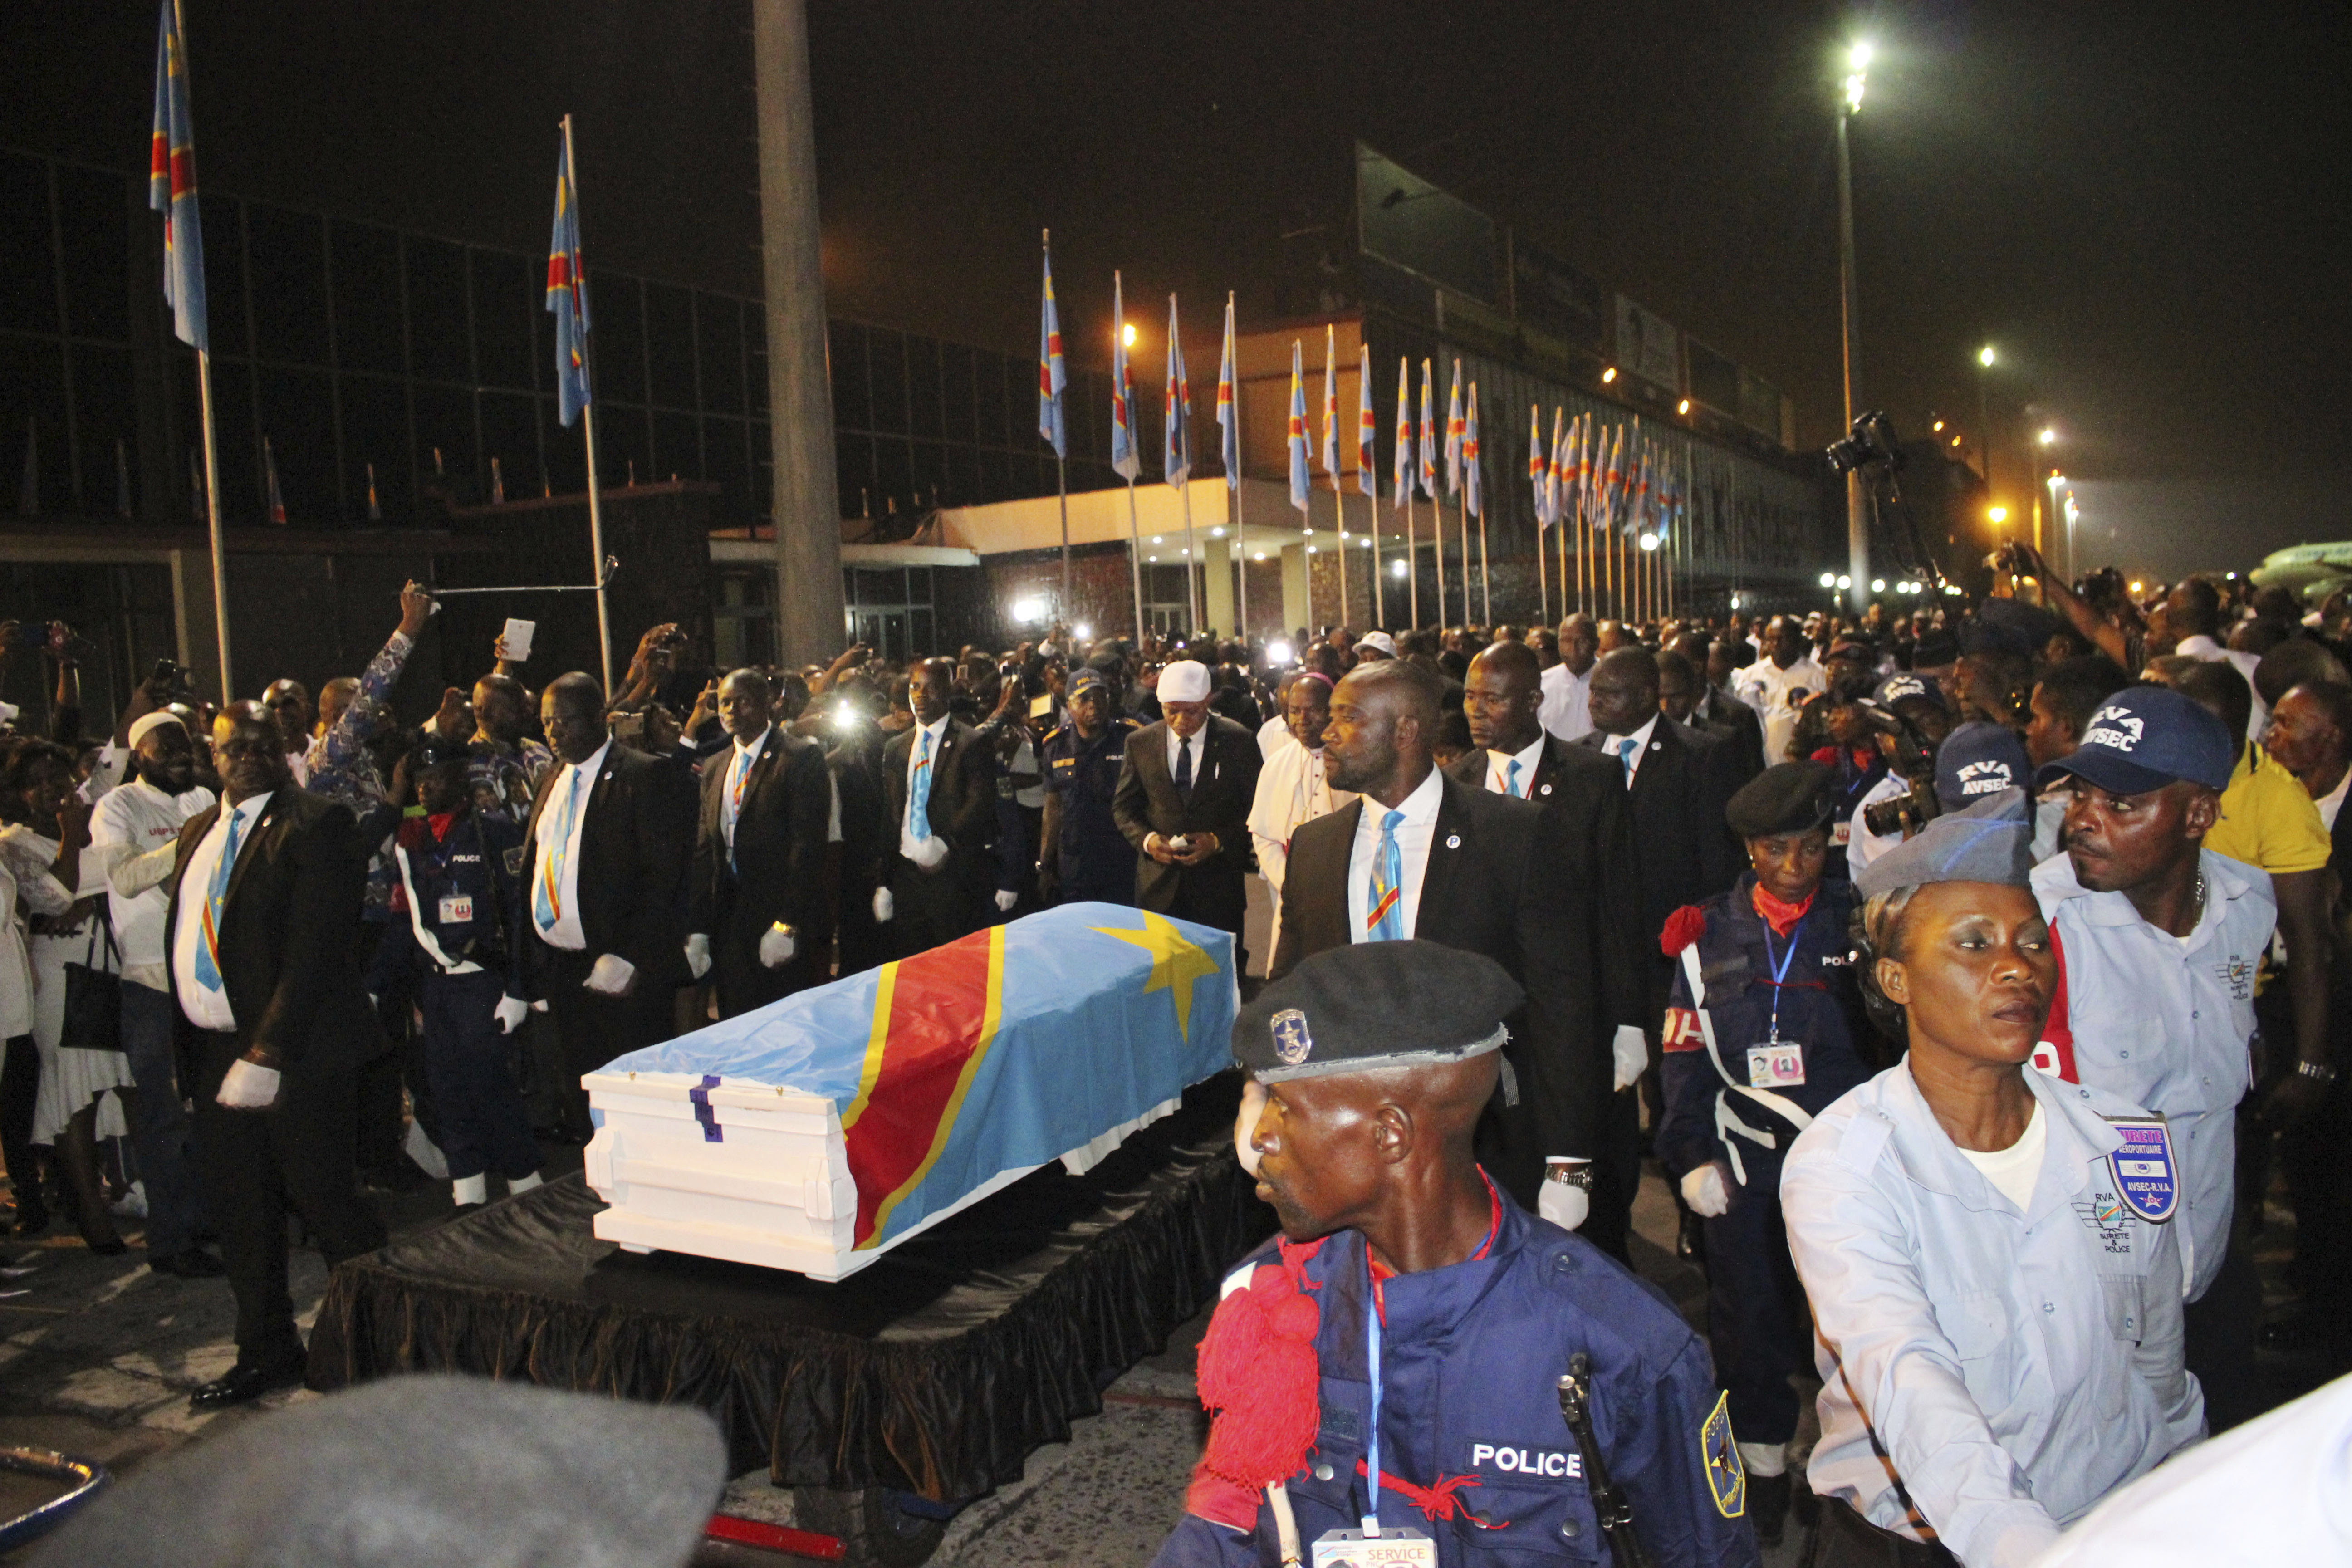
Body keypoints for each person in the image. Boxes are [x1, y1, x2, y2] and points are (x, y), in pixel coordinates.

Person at [1153, 940, 1761, 1568]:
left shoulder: (1623, 1349)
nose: (1259, 1137)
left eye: (1285, 1107)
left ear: (1390, 1135)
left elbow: (1707, 1554)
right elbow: (1225, 1524)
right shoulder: (1276, 1301)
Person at [1784, 790, 2205, 1566]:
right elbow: (1905, 1376)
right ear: (1895, 979)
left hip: (2110, 1516)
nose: (2016, 966)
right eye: (1973, 944)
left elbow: (2155, 1356)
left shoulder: (2122, 1137)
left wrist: (2183, 1486)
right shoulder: (1842, 1163)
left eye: (2032, 942)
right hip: (1929, 1541)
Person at [1272, 659, 1641, 1240]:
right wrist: (1270, 1103)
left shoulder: (1513, 834)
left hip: (1490, 1144)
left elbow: (1561, 1006)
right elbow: (1289, 996)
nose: (1326, 734)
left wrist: (1569, 1162)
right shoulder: (1316, 848)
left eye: (1348, 719)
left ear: (1406, 731)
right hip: (1354, 1149)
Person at [2029, 686, 2274, 1434]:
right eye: (2079, 793)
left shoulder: (2246, 907)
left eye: (2121, 804)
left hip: (2211, 1264)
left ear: (2197, 815)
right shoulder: (2036, 927)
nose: (2081, 820)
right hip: (2097, 1293)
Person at [1656, 762, 1876, 1547]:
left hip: (1845, 1166)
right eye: (1775, 850)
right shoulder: (1704, 932)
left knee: (1848, 1325)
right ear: (1750, 849)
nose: (1792, 867)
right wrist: (1688, 1155)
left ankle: (1850, 1471)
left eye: (1810, 849)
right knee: (1747, 1321)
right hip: (1742, 1166)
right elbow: (1682, 1054)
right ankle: (1760, 1466)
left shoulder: (1858, 925)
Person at [166, 702, 388, 1411]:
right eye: (235, 746)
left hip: (297, 1052)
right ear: (214, 753)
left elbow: (317, 949)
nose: (250, 755)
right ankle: (266, 1350)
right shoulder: (200, 830)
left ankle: (380, 1350)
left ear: (288, 748)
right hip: (216, 1049)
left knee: (327, 1204)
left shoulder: (319, 824)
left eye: (266, 743)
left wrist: (268, 1050)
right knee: (242, 1212)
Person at [1576, 647, 1739, 1248]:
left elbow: (1716, 868)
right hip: (1602, 963)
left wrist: (1703, 954)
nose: (1594, 704)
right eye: (1593, 693)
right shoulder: (1583, 760)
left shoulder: (1701, 758)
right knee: (1609, 1095)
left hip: (1671, 964)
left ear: (1645, 698)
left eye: (1608, 695)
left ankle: (1695, 1211)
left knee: (1678, 1089)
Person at [509, 673, 691, 1143]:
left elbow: (663, 877)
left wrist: (629, 954)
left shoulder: (643, 775)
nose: (553, 733)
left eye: (565, 722)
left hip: (621, 969)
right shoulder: (552, 777)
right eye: (547, 722)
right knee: (583, 1090)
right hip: (562, 969)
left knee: (636, 1092)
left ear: (599, 719)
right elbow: (537, 870)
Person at [368, 730, 544, 1212]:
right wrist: (375, 984)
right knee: (448, 1091)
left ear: (459, 778)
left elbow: (518, 913)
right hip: (437, 989)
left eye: (436, 777)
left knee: (493, 1089)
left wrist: (519, 989)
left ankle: (524, 1184)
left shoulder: (493, 832)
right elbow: (406, 919)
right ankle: (467, 1193)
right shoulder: (412, 840)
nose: (425, 788)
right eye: (419, 780)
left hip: (483, 981)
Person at [86, 711, 221, 1274]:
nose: (179, 757)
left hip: (205, 975)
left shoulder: (200, 800)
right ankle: (170, 1242)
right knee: (164, 1116)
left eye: (186, 748)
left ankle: (210, 1218)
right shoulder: (119, 807)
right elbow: (123, 877)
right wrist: (185, 848)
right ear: (139, 753)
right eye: (165, 748)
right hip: (150, 983)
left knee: (211, 1110)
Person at [7, 739, 134, 1254]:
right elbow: (51, 898)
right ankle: (90, 1213)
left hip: (108, 961)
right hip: (58, 973)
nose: (48, 788)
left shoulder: (90, 814)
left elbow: (111, 766)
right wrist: (68, 839)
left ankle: (145, 1193)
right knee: (73, 1096)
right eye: (34, 781)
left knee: (127, 1083)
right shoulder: (13, 840)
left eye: (55, 776)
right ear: (17, 793)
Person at [684, 669, 831, 1019]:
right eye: (725, 702)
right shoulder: (716, 765)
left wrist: (787, 923)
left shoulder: (798, 758)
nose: (732, 710)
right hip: (731, 917)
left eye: (743, 701)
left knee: (784, 1021)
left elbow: (807, 845)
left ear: (769, 703)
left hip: (779, 913)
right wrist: (699, 927)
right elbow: (706, 849)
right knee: (738, 1018)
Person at [1112, 659, 1263, 961]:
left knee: (1219, 975)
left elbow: (1257, 811)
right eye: (1171, 710)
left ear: (1207, 701)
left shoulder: (1238, 741)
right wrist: (1148, 841)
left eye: (1191, 711)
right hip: (1158, 889)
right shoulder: (1139, 743)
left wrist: (1218, 841)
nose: (1181, 719)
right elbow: (1123, 808)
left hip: (1218, 889)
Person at [875, 656, 1000, 956]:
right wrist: (884, 882)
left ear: (946, 691)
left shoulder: (971, 742)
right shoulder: (896, 747)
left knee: (956, 966)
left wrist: (945, 843)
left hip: (953, 876)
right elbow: (891, 815)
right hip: (907, 878)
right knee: (913, 968)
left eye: (929, 688)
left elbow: (980, 803)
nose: (920, 695)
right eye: (915, 687)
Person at [1245, 671, 1350, 969]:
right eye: (1294, 711)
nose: (1302, 719)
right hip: (1292, 895)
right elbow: (1264, 835)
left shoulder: (1355, 761)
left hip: (1344, 894)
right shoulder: (1277, 764)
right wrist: (1289, 882)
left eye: (1313, 710)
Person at [1038, 668, 1142, 908]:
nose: (1093, 705)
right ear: (1069, 705)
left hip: (1122, 862)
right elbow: (1052, 809)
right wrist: (1044, 865)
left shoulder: (1131, 739)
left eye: (1099, 697)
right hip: (1076, 866)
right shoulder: (1056, 747)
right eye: (1084, 699)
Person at [2022, 655, 2132, 859]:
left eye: (2037, 718)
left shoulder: (2045, 815)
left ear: (2066, 727)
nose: (2029, 729)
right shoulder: (2132, 785)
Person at [1733, 615, 1829, 764]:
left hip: (1801, 761)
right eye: (1771, 639)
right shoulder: (1751, 675)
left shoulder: (1817, 675)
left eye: (1783, 639)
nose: (1776, 644)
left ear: (1797, 641)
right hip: (1761, 759)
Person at [1537, 611, 1599, 742]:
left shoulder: (1612, 681)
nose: (1573, 649)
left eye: (1582, 641)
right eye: (1566, 641)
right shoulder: (1542, 684)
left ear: (1596, 643)